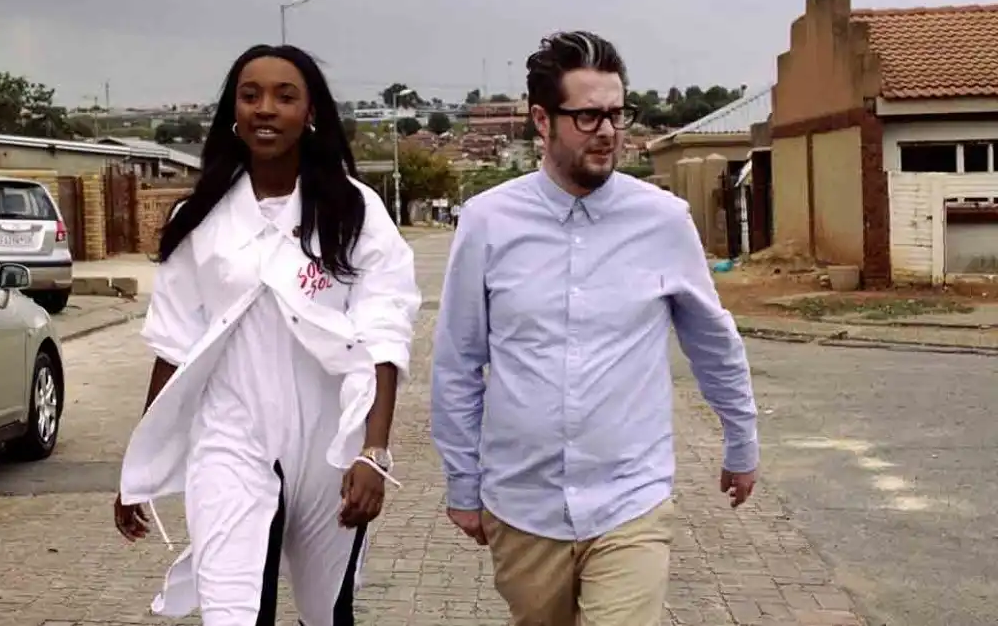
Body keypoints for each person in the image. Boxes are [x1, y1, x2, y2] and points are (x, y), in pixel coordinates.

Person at [430, 31, 759, 626]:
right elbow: (458, 361)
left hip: (630, 499)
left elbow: (712, 340)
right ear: (541, 120)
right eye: (586, 116)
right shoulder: (487, 222)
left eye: (616, 113)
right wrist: (462, 482)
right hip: (522, 506)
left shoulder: (663, 221)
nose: (607, 131)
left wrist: (741, 440)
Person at [115, 44, 421, 625]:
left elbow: (385, 336)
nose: (265, 108)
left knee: (326, 611)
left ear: (310, 114)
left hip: (328, 442)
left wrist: (373, 453)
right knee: (233, 611)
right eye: (250, 94)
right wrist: (141, 469)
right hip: (230, 436)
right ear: (234, 110)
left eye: (285, 96)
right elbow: (173, 347)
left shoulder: (354, 212)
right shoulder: (199, 219)